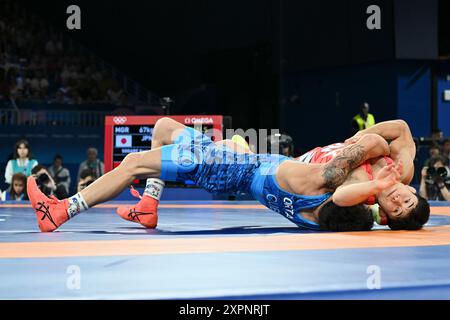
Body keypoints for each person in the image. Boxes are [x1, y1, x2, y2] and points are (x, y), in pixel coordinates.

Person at [27, 117, 390, 232]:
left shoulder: (325, 182)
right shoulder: (318, 215)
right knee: (165, 126)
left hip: (226, 166)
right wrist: (379, 203)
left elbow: (378, 139)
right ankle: (148, 205)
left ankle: (60, 211)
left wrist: (378, 172)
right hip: (234, 164)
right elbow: (354, 205)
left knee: (135, 161)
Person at [299, 120, 430, 230]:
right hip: (332, 150)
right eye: (407, 201)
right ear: (411, 189)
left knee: (376, 144)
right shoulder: (403, 169)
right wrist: (361, 133)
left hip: (306, 164)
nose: (397, 200)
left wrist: (375, 186)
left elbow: (339, 197)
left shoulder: (360, 188)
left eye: (396, 211)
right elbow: (402, 129)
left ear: (384, 213)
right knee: (377, 144)